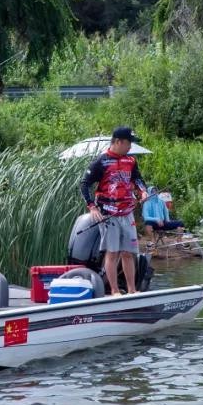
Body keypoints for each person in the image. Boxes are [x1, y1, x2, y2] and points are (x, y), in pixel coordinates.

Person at [79, 126, 149, 295]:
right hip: (108, 214)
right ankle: (115, 290)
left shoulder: (131, 161)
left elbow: (138, 179)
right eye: (128, 143)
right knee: (113, 252)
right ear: (118, 142)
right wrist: (92, 207)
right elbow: (84, 184)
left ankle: (132, 290)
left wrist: (143, 191)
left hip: (127, 212)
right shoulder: (101, 161)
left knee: (128, 252)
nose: (130, 147)